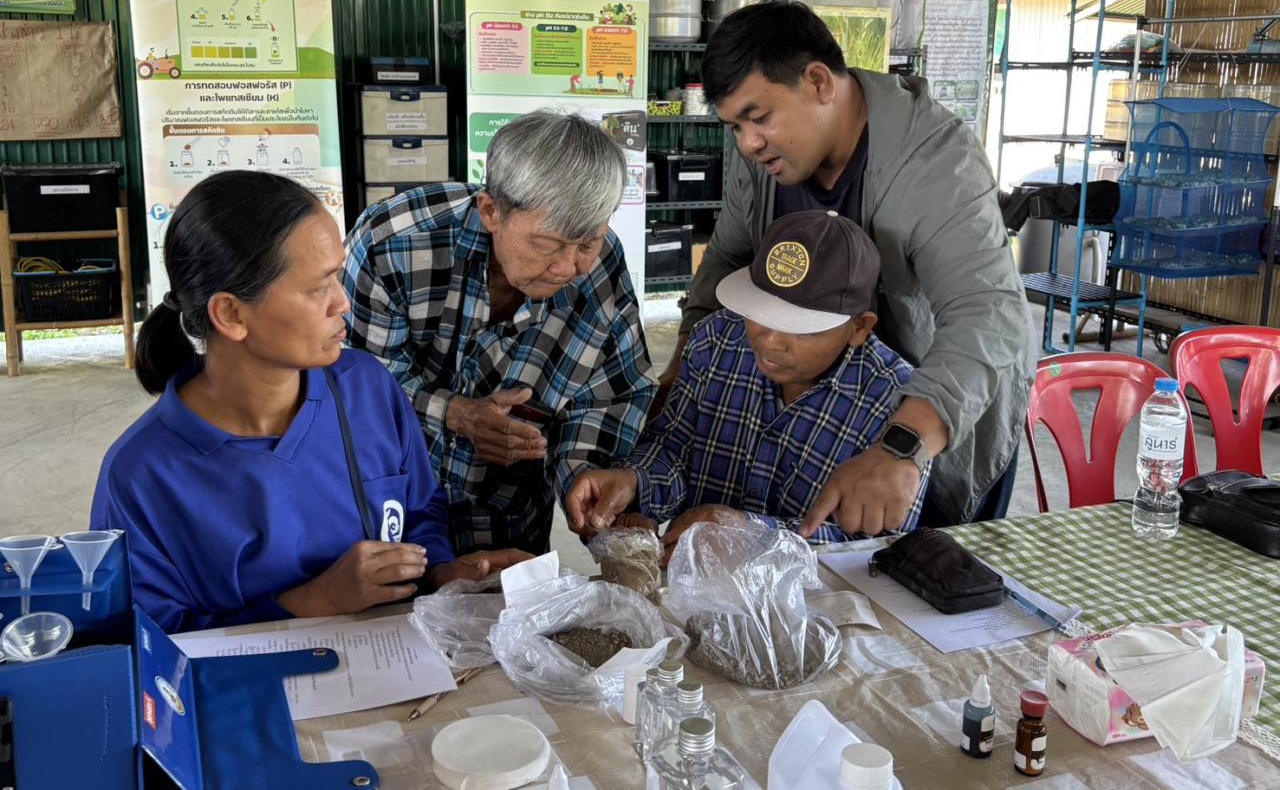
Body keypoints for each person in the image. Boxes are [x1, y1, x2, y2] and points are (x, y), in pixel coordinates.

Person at [91, 171, 528, 633]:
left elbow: (420, 512)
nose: (342, 303)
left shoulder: (366, 389)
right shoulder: (140, 476)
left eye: (338, 277)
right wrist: (312, 601)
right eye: (319, 287)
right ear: (231, 314)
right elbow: (148, 642)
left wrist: (443, 572)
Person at [657, 0, 1033, 532]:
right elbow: (726, 261)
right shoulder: (764, 156)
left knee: (918, 589)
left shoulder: (936, 162)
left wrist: (903, 448)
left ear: (818, 83)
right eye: (734, 126)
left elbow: (989, 314)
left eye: (757, 118)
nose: (747, 143)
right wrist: (679, 374)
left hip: (930, 421)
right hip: (822, 417)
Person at [344, 110, 656, 555]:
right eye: (546, 245)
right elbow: (357, 384)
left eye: (587, 242)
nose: (569, 268)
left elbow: (610, 394)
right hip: (393, 514)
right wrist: (457, 414)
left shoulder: (602, 265)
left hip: (512, 524)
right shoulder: (393, 244)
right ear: (491, 211)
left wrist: (584, 480)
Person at [566, 210, 924, 557]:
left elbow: (879, 544)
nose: (770, 341)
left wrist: (748, 532)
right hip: (694, 590)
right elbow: (674, 448)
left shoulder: (900, 402)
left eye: (800, 328)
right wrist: (633, 482)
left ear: (860, 327)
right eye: (760, 314)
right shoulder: (717, 342)